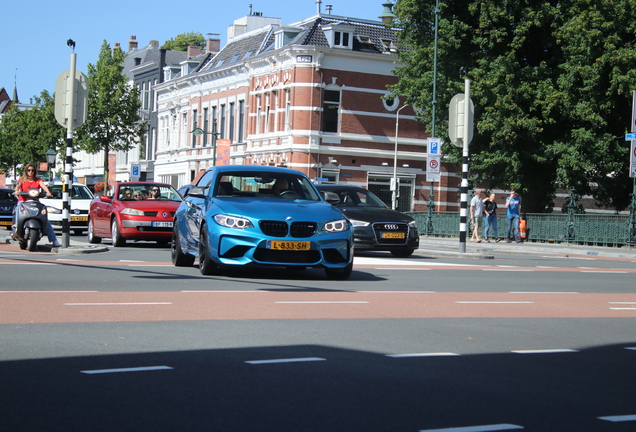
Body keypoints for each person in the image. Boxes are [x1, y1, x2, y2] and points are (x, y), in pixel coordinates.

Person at [13, 163, 61, 248]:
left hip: (35, 202)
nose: (30, 172)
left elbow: (44, 186)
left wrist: (48, 192)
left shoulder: (38, 180)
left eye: (32, 170)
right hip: (24, 201)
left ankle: (54, 240)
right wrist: (17, 191)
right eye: (29, 170)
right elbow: (17, 187)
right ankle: (17, 228)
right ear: (26, 171)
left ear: (35, 171)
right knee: (18, 208)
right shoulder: (22, 179)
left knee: (45, 218)